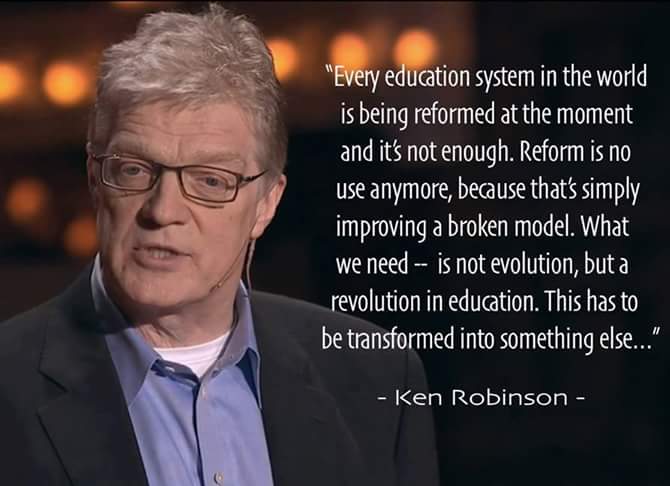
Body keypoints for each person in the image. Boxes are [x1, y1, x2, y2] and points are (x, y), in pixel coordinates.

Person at [0, 4, 438, 486]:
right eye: (134, 170)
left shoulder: (376, 377)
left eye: (210, 180)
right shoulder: (9, 384)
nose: (163, 210)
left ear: (267, 204)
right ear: (94, 178)